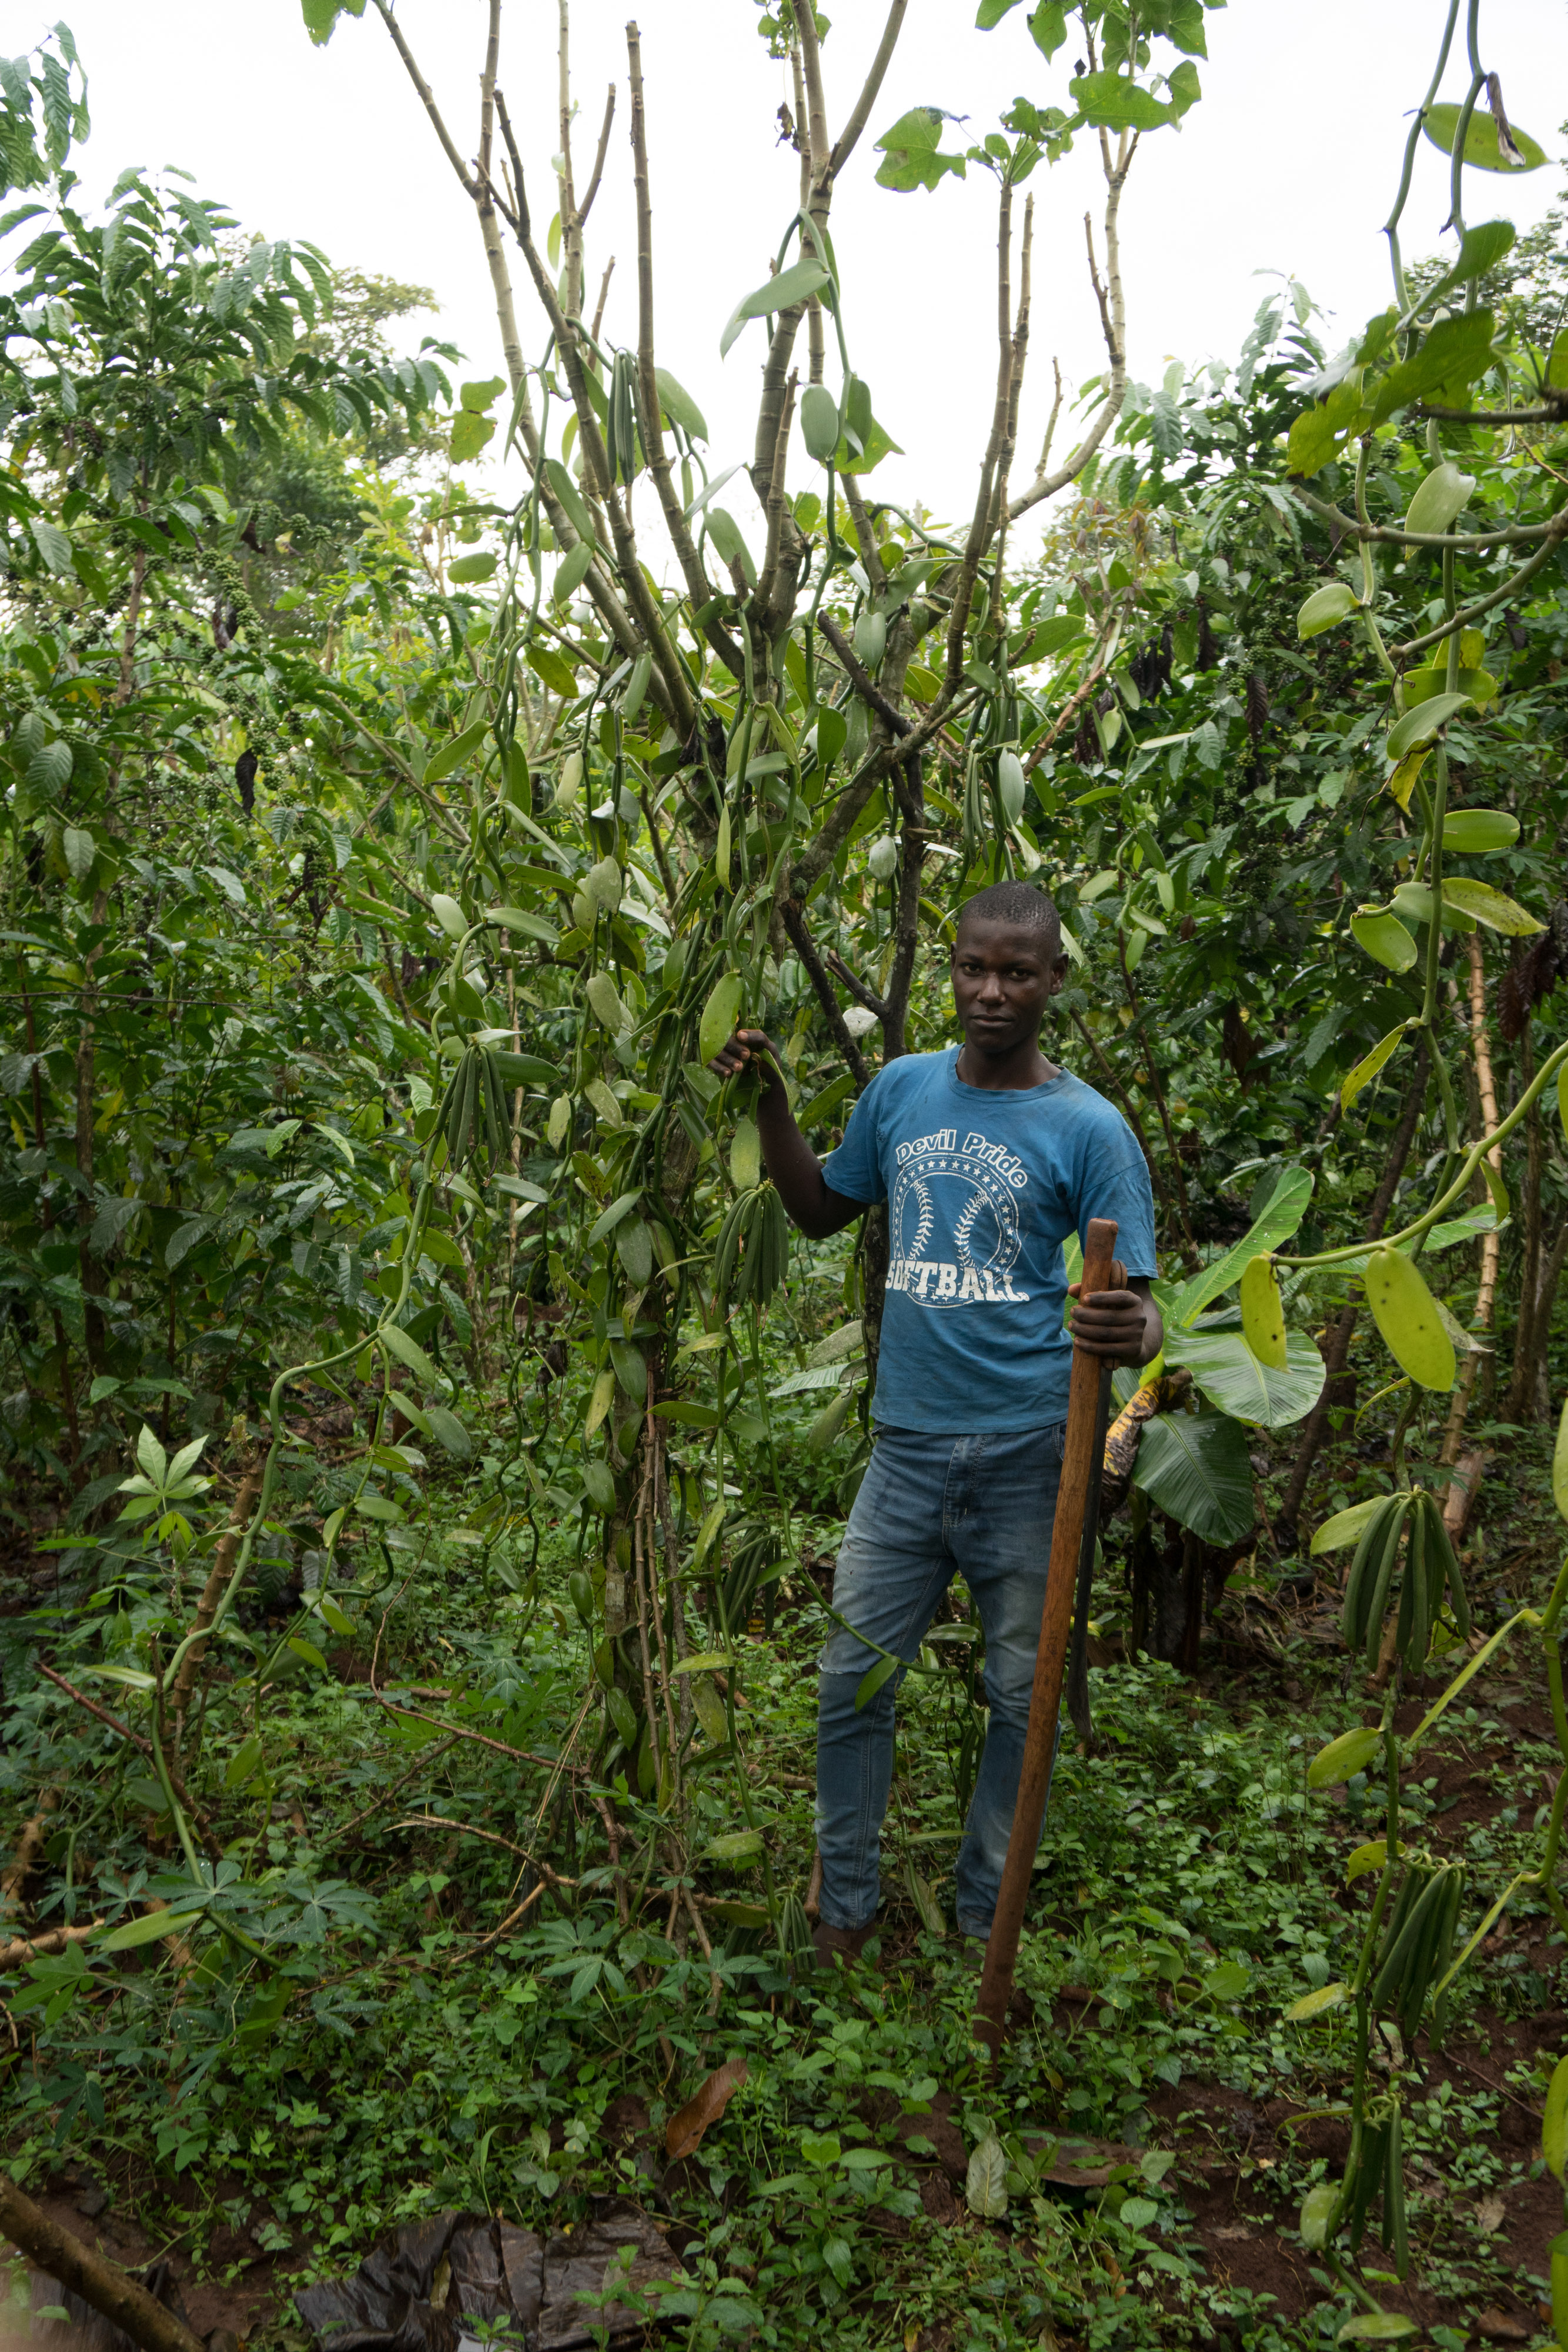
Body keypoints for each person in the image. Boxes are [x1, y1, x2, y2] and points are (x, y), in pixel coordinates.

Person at [707, 878, 1162, 1963]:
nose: (990, 992)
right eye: (973, 968)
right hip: (907, 1451)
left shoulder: (1090, 1127)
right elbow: (820, 1212)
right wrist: (771, 1102)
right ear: (951, 967)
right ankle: (845, 1914)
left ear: (1054, 980)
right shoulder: (903, 1093)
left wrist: (1121, 1324)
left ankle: (980, 1921)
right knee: (851, 1681)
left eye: (1016, 972)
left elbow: (1143, 1312)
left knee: (1020, 1696)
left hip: (1031, 1455)